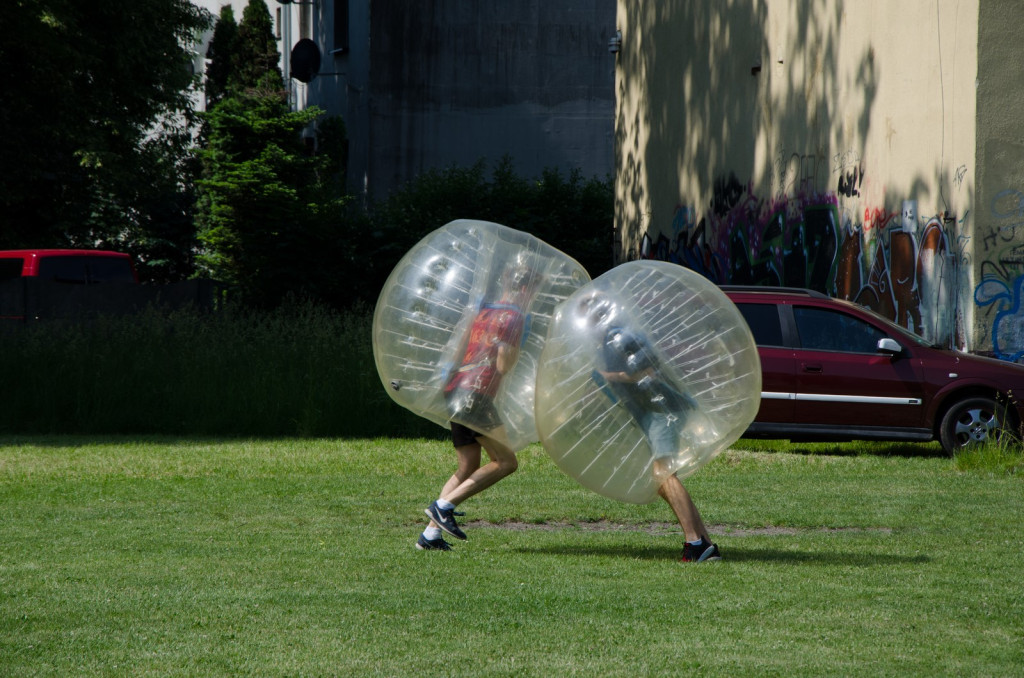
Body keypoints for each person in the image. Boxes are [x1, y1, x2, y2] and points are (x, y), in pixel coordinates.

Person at [416, 256, 535, 551]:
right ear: (525, 288)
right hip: (476, 393)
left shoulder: (483, 309)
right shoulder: (513, 317)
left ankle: (430, 537)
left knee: (467, 465)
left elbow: (459, 347)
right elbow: (503, 365)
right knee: (506, 462)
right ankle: (443, 507)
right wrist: (516, 347)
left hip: (456, 387)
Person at [596, 325, 722, 563]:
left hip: (663, 410)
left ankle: (696, 544)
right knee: (664, 481)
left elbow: (648, 373)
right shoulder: (606, 342)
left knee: (663, 474)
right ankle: (704, 542)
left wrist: (607, 376)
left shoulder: (621, 336)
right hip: (652, 412)